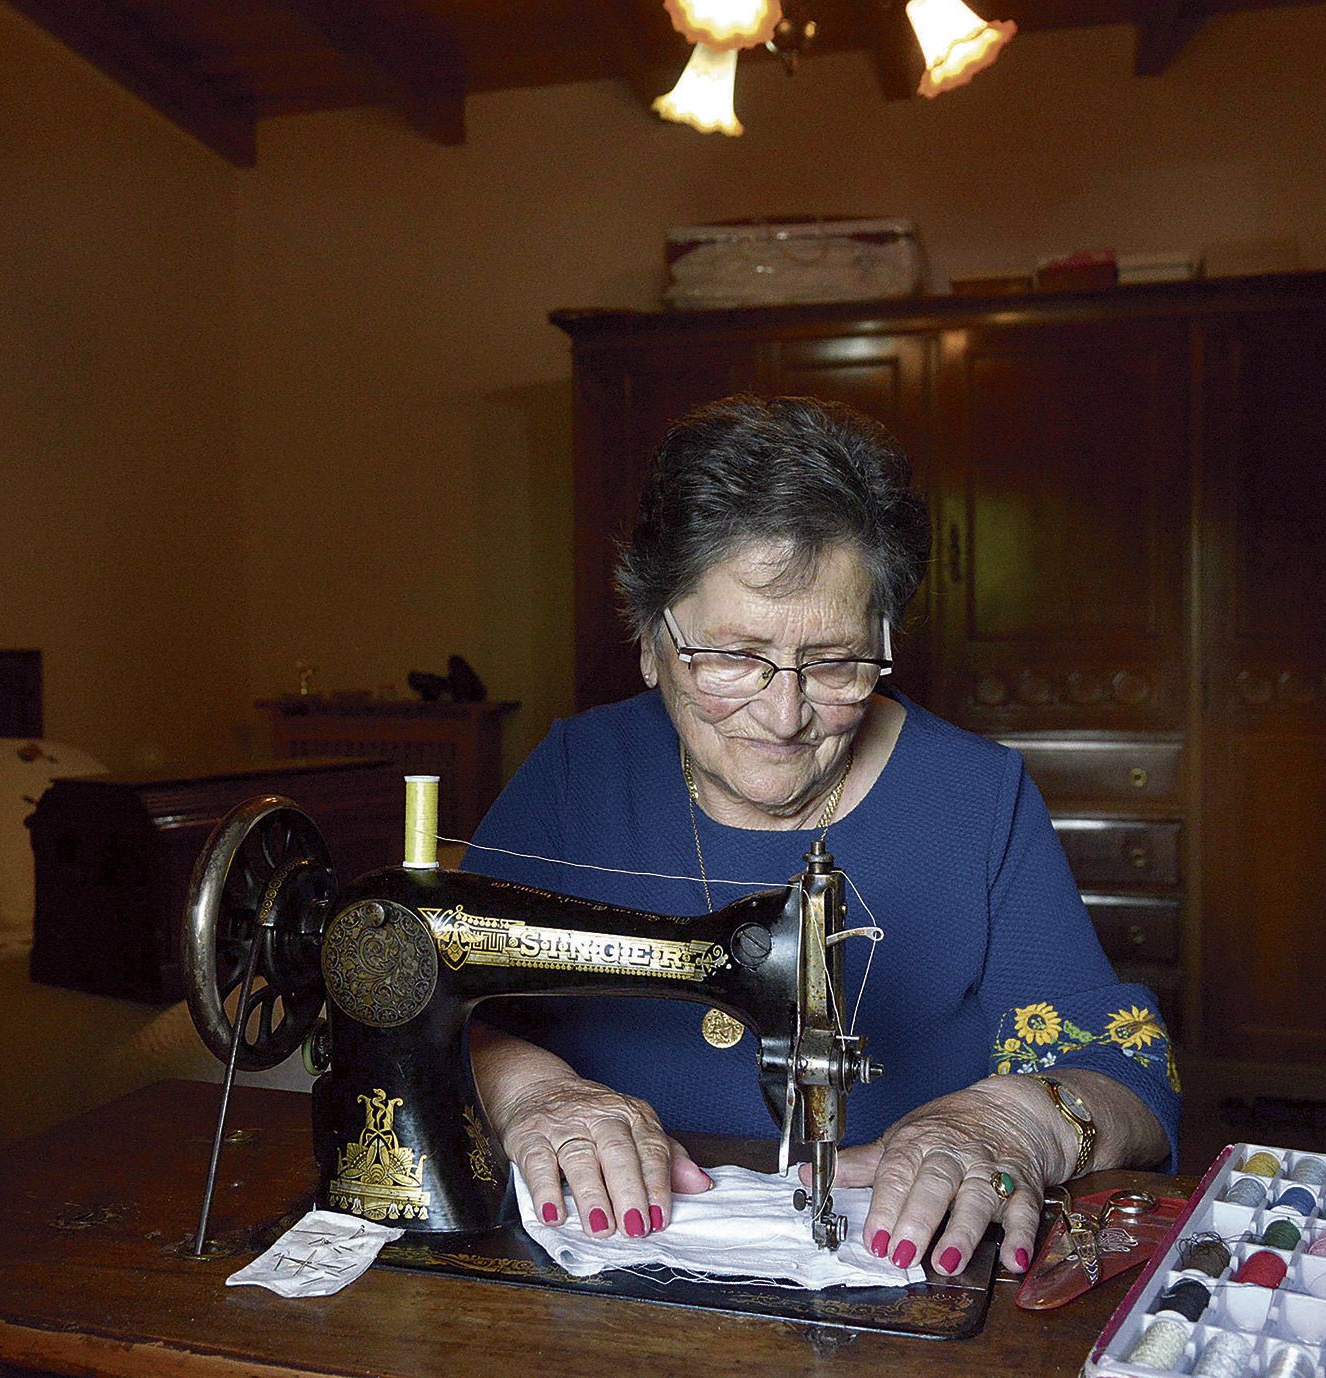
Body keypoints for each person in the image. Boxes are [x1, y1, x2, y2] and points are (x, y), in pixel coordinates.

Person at [465, 395, 1179, 1278]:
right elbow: (440, 1009)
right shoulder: (577, 774)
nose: (785, 711)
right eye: (732, 656)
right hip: (607, 1277)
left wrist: (1013, 1123)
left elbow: (1126, 1078)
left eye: (835, 662)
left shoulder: (974, 796)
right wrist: (531, 1092)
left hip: (896, 1287)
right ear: (650, 641)